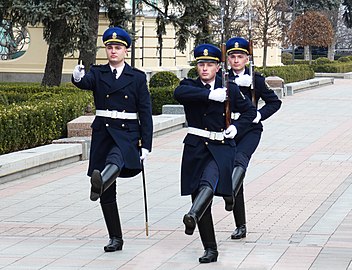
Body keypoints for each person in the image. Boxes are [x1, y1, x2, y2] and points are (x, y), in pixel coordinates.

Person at [71, 26, 153, 252]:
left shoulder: (136, 77)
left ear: (125, 51)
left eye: (118, 48)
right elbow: (85, 82)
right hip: (103, 133)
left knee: (116, 160)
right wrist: (77, 76)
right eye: (109, 47)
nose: (113, 51)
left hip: (127, 133)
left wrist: (146, 144)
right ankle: (115, 237)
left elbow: (145, 112)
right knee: (108, 194)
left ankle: (101, 181)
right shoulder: (98, 73)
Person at [174, 44, 256, 263]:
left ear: (218, 67)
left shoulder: (230, 88)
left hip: (220, 147)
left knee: (207, 183)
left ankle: (192, 214)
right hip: (195, 147)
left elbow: (250, 111)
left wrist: (237, 127)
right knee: (198, 193)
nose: (204, 68)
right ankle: (210, 248)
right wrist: (210, 95)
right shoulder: (189, 85)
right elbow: (179, 93)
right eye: (201, 64)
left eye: (210, 64)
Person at [224, 37, 281, 239]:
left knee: (239, 164)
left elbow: (275, 102)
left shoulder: (255, 80)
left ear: (247, 59)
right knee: (230, 171)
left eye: (240, 56)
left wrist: (258, 115)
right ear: (227, 59)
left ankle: (233, 205)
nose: (236, 60)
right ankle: (240, 223)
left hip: (249, 130)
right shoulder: (222, 78)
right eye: (233, 56)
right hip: (229, 129)